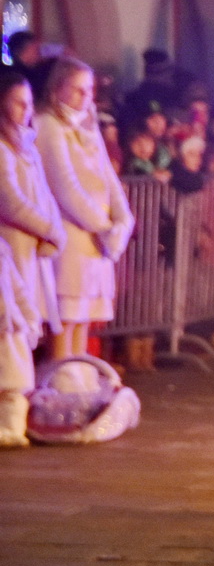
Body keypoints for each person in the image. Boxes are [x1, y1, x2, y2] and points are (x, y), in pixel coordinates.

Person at [37, 57, 135, 360]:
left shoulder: (90, 127)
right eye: (78, 90)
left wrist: (123, 220)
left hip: (97, 240)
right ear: (57, 89)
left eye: (89, 90)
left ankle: (81, 377)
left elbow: (108, 177)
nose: (86, 97)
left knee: (84, 318)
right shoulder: (47, 125)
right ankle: (62, 382)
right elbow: (65, 186)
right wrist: (104, 227)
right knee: (67, 316)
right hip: (71, 236)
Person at [0, 71, 64, 437]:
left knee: (25, 325)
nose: (27, 110)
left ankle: (18, 411)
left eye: (29, 102)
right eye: (18, 102)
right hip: (9, 252)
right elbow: (11, 201)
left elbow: (42, 194)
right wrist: (50, 229)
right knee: (10, 327)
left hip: (30, 254)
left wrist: (53, 230)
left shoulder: (26, 146)